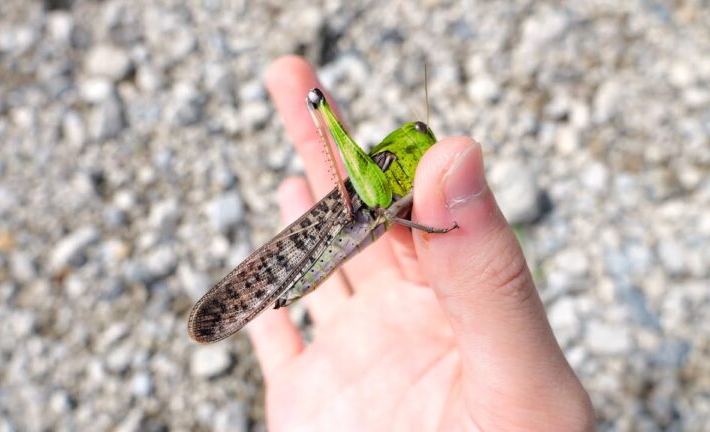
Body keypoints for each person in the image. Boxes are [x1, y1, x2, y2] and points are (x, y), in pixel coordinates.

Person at [247, 56, 594, 431]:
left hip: (371, 212)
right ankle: (349, 208)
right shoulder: (394, 158)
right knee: (323, 110)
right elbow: (381, 194)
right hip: (354, 213)